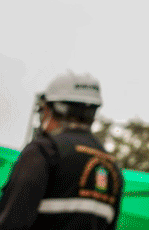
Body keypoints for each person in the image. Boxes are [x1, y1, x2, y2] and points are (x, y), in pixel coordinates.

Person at [0, 72, 124, 230]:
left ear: (54, 109)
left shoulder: (44, 151)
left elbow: (12, 220)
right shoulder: (111, 168)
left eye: (43, 110)